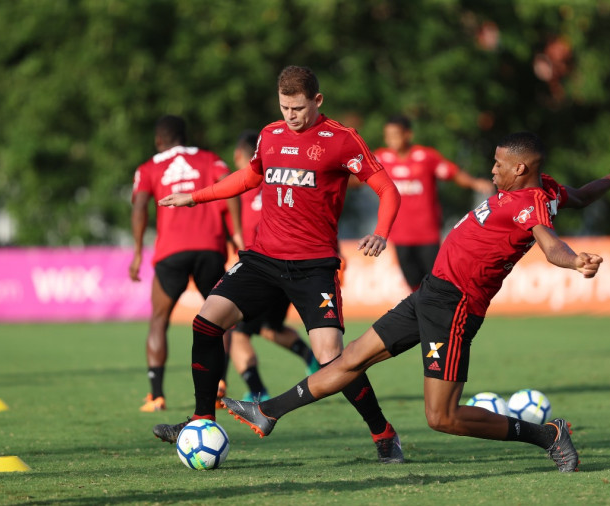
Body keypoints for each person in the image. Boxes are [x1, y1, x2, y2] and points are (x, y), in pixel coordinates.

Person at [222, 132, 610, 473]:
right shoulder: (547, 190)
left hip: (455, 306)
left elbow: (549, 244)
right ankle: (268, 411)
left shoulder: (532, 202)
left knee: (441, 418)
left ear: (520, 168)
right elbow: (580, 195)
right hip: (431, 292)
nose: (492, 169)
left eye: (499, 164)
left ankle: (547, 436)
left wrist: (575, 260)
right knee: (351, 357)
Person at [152, 66, 405, 463]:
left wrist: (382, 231)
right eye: (285, 106)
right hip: (263, 259)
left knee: (332, 361)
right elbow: (249, 178)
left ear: (317, 101)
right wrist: (197, 197)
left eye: (299, 108)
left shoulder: (342, 140)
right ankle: (200, 420)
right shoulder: (269, 135)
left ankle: (384, 433)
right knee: (206, 320)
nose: (291, 115)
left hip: (314, 267)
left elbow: (387, 189)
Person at [130, 115, 242, 412]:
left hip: (171, 252)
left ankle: (156, 395)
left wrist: (138, 251)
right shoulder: (209, 160)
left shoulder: (149, 167)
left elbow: (140, 205)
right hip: (210, 248)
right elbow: (230, 188)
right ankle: (219, 383)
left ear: (158, 141)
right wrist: (237, 234)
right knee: (222, 319)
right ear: (185, 136)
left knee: (159, 320)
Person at [229, 130, 320, 402]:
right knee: (270, 328)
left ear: (238, 156)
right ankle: (311, 358)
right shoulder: (280, 180)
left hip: (261, 268)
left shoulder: (239, 187)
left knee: (238, 334)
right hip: (290, 266)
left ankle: (257, 390)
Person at [374, 115, 495, 290]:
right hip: (399, 236)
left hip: (427, 234)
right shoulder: (381, 159)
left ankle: (444, 314)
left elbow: (452, 173)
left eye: (396, 134)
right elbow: (359, 177)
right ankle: (423, 315)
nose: (391, 140)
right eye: (388, 135)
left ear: (408, 134)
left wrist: (474, 182)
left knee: (435, 283)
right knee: (413, 284)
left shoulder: (426, 157)